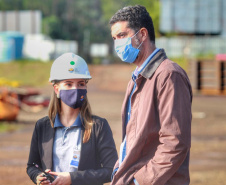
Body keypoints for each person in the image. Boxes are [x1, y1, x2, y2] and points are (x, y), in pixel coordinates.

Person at [109, 5, 192, 185]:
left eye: (122, 35)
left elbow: (175, 142)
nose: (117, 43)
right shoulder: (135, 80)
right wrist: (120, 169)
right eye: (114, 38)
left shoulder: (169, 75)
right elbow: (133, 138)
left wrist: (139, 181)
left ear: (143, 34)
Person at [26, 53, 118, 185]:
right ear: (56, 89)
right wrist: (37, 177)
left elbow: (111, 171)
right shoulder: (42, 126)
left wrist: (73, 178)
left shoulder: (98, 126)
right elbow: (32, 165)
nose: (75, 89)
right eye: (68, 84)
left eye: (81, 84)